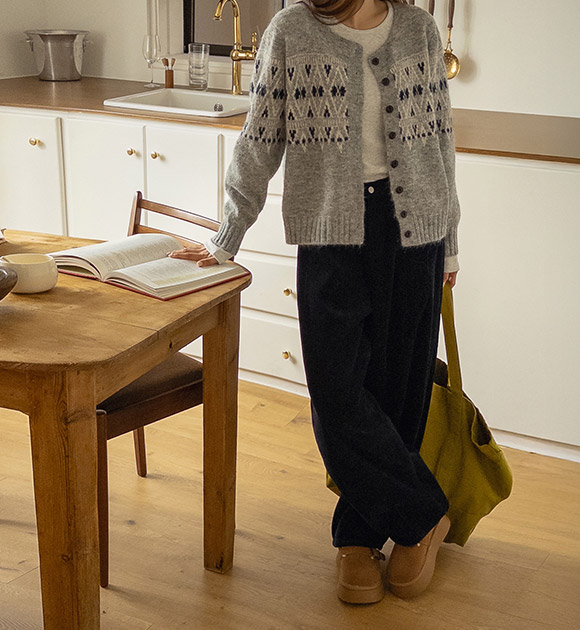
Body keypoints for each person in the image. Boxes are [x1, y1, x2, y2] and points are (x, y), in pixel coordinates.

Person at [170, 0, 460, 605]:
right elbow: (260, 137)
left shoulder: (418, 30)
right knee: (336, 392)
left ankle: (357, 537)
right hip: (331, 231)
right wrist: (227, 235)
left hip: (416, 233)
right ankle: (423, 515)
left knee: (399, 389)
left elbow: (440, 138)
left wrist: (450, 244)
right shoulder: (292, 31)